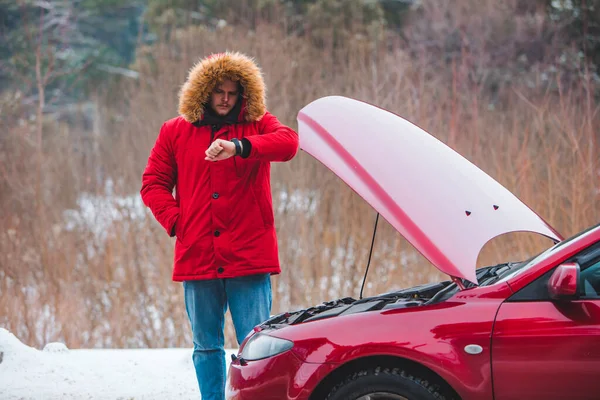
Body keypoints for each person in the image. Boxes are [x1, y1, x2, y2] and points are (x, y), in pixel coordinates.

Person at [140, 51, 299, 400]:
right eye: (219, 92)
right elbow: (152, 183)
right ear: (203, 92)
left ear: (244, 94)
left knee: (255, 345)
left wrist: (240, 147)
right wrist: (178, 221)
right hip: (198, 254)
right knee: (206, 346)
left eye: (232, 93)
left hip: (249, 255)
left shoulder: (257, 124)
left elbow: (289, 143)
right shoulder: (175, 131)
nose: (226, 99)